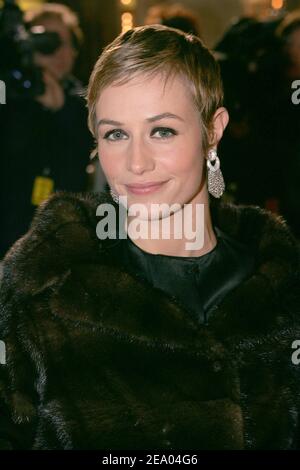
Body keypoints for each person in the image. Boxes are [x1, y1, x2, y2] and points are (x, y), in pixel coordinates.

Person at [0, 24, 299, 450]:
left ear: (213, 130)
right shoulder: (42, 288)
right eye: (115, 134)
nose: (136, 163)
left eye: (162, 131)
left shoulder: (283, 286)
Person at [0, 3, 93, 259]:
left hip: (59, 246)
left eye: (67, 42)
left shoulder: (86, 102)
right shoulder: (9, 93)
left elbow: (78, 164)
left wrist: (60, 111)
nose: (59, 52)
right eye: (48, 42)